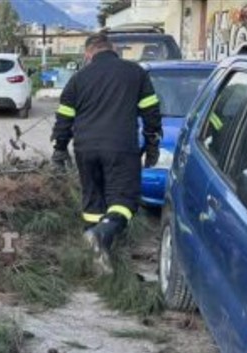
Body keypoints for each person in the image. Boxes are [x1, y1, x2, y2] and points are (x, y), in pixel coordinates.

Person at [51, 33, 162, 274]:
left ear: (88, 53)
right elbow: (151, 112)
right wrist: (152, 143)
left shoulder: (78, 79)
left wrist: (59, 148)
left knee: (93, 203)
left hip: (85, 149)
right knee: (124, 201)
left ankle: (96, 258)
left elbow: (64, 117)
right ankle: (100, 235)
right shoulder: (135, 73)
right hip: (121, 147)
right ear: (114, 50)